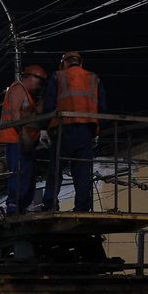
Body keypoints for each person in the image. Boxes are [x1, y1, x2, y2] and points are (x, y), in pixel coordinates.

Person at [41, 51, 106, 213]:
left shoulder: (58, 76)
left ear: (64, 63)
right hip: (86, 130)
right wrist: (96, 130)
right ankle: (82, 207)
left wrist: (44, 128)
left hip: (63, 128)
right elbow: (102, 107)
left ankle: (50, 205)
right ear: (80, 63)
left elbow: (48, 105)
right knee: (82, 171)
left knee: (56, 169)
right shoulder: (94, 78)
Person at [0, 64, 47, 215]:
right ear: (31, 77)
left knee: (28, 174)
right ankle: (13, 206)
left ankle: (21, 206)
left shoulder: (28, 96)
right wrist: (24, 136)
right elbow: (15, 116)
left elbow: (34, 115)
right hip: (16, 139)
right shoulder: (17, 89)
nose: (39, 86)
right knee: (20, 172)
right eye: (39, 82)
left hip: (27, 142)